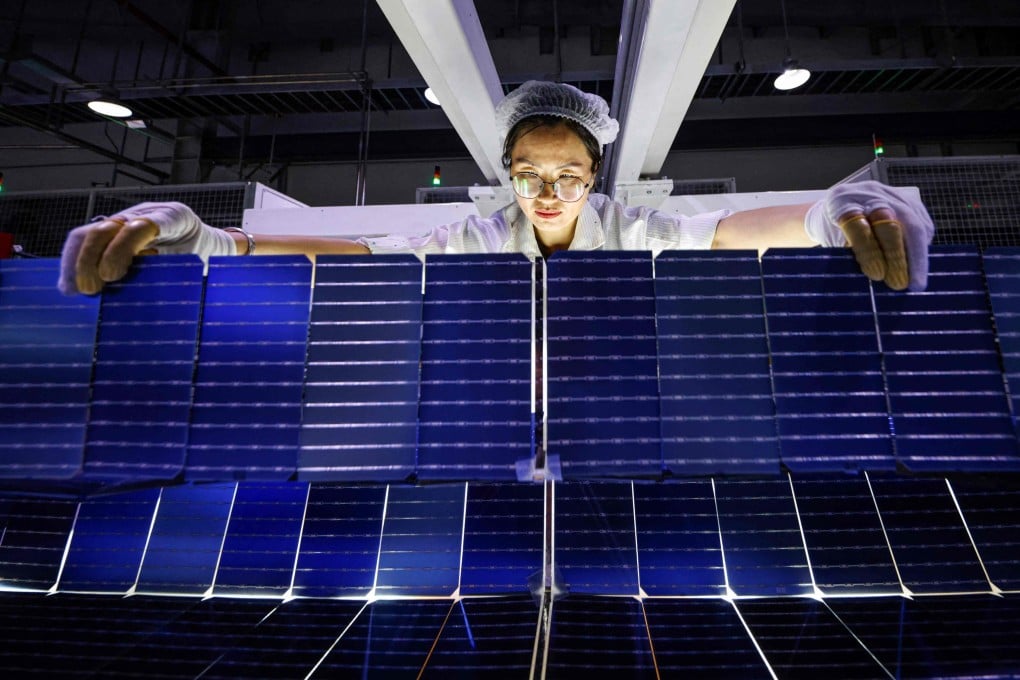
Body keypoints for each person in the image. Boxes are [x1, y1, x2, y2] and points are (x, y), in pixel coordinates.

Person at [58, 80, 933, 296]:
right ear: (506, 175)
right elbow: (356, 249)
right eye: (529, 175)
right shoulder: (468, 243)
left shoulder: (634, 230)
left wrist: (828, 211)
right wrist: (212, 241)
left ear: (596, 177)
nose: (547, 191)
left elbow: (731, 230)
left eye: (568, 176)